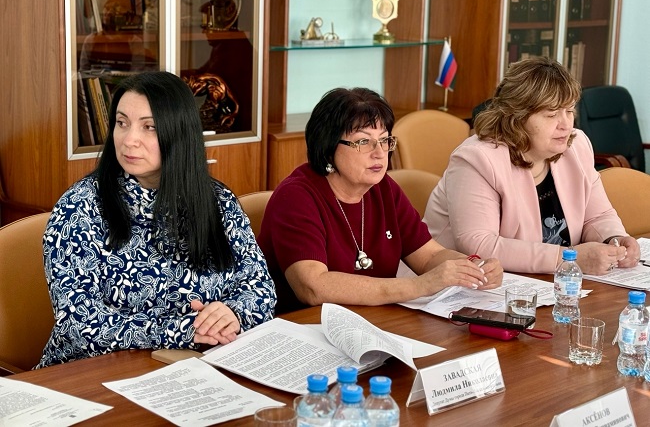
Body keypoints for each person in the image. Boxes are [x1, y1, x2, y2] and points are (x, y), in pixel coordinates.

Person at [37, 71, 276, 368]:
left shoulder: (218, 201)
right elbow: (78, 324)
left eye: (149, 127)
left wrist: (232, 315)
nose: (129, 140)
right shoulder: (79, 207)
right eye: (122, 123)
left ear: (180, 132)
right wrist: (183, 331)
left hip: (195, 366)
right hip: (89, 374)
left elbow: (260, 289)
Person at [258, 87, 502, 314]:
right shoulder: (296, 197)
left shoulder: (383, 189)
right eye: (363, 142)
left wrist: (473, 266)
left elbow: (428, 256)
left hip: (373, 320)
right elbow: (313, 287)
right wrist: (420, 285)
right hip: (304, 328)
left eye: (384, 140)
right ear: (328, 146)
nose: (379, 153)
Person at [424, 57, 641, 275]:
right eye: (551, 114)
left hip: (546, 282)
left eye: (569, 111)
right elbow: (479, 244)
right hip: (456, 284)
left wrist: (614, 239)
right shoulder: (478, 159)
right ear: (517, 117)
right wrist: (568, 258)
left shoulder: (577, 146)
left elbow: (598, 215)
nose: (566, 125)